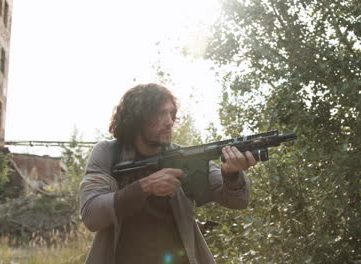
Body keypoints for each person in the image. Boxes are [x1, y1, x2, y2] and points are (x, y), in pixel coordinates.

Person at [79, 83, 258, 264]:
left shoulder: (185, 157)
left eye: (171, 114)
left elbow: (238, 201)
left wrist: (231, 174)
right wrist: (145, 187)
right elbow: (91, 215)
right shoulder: (109, 153)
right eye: (160, 113)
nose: (169, 121)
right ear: (137, 118)